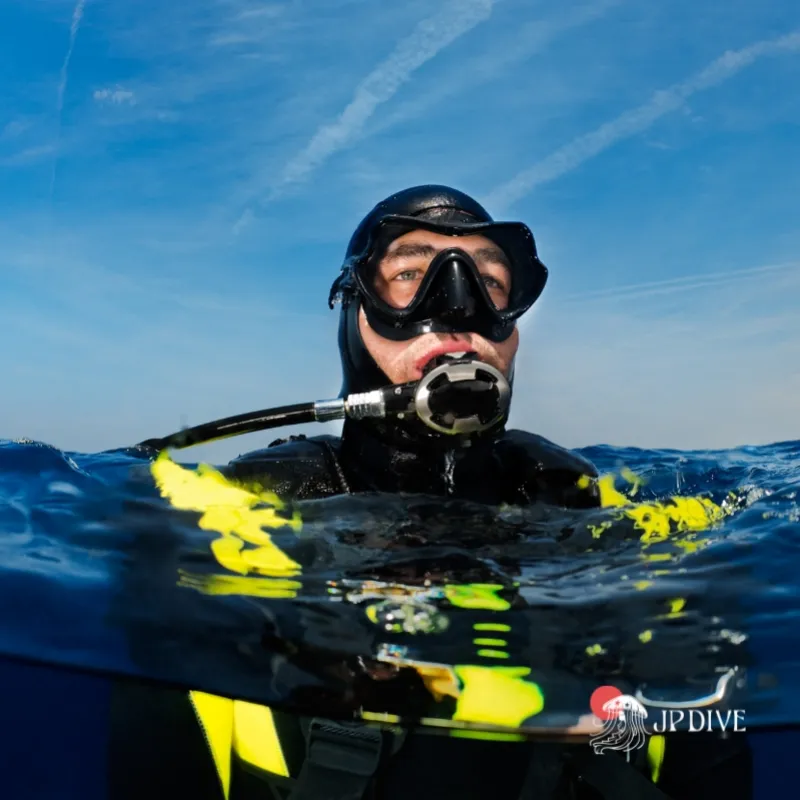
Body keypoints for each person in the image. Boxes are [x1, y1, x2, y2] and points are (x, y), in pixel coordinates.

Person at [107, 185, 752, 799]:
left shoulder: (578, 497)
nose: (456, 306)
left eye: (490, 282)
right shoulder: (256, 502)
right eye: (412, 275)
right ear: (355, 311)